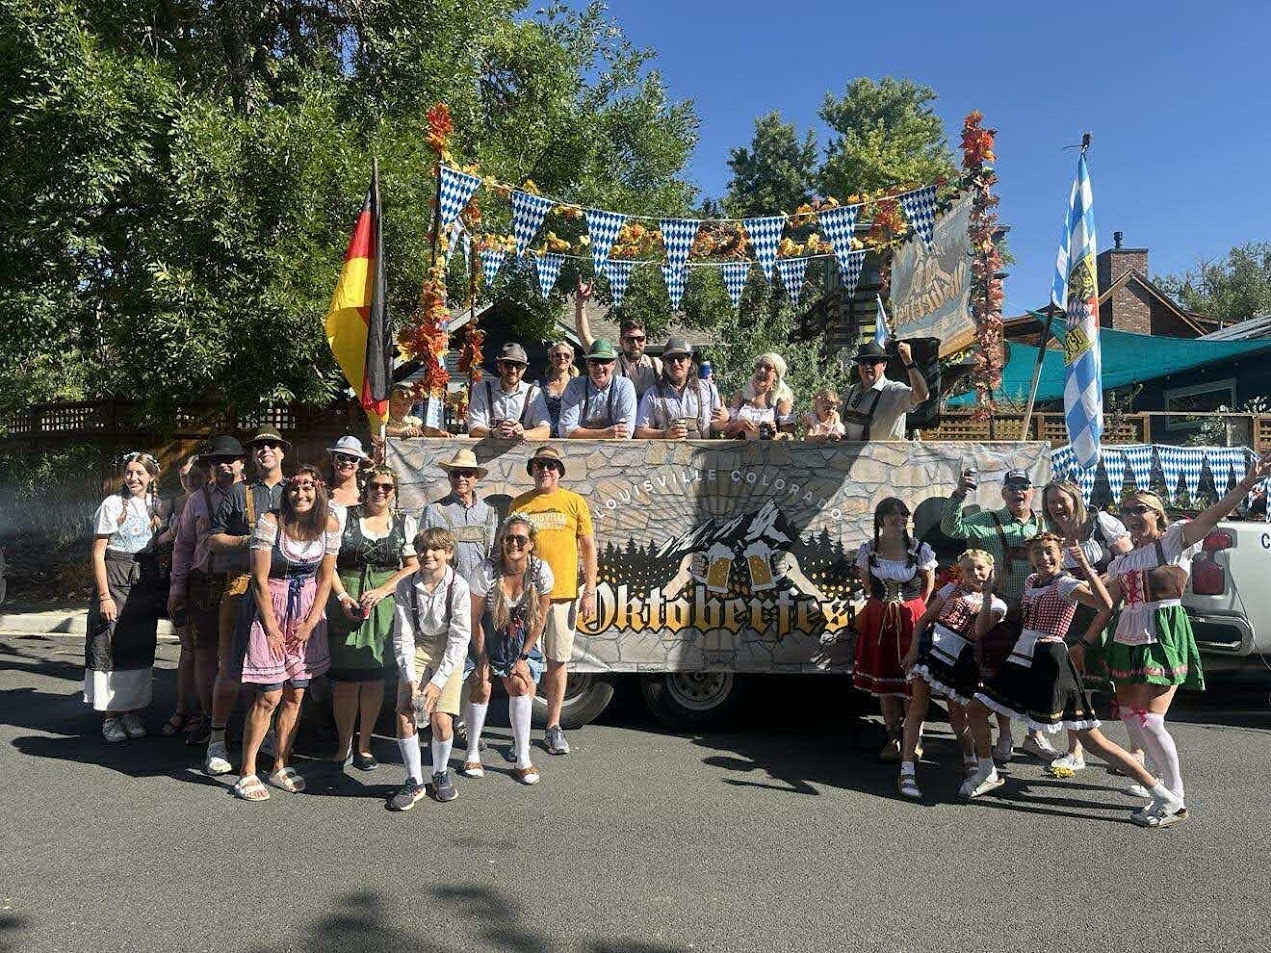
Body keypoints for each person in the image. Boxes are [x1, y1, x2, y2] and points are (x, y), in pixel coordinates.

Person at [1075, 454, 1271, 827]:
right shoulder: (1121, 562)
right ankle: (1160, 793)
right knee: (1132, 721)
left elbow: (1213, 515)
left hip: (1163, 631)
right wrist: (1066, 585)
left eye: (1140, 509)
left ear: (1158, 514)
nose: (1132, 516)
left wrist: (1246, 485)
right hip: (1127, 636)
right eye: (1127, 510)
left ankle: (1175, 797)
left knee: (1150, 721)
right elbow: (1104, 600)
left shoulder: (1176, 540)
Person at [960, 535, 1181, 822]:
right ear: (1030, 558)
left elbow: (1105, 604)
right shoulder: (1031, 582)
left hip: (1050, 660)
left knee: (1092, 741)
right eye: (1037, 552)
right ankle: (987, 771)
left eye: (1050, 552)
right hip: (1021, 657)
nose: (1044, 558)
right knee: (976, 708)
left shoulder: (1066, 584)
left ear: (1061, 556)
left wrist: (1087, 568)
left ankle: (1165, 796)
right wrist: (989, 594)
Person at [232, 465, 339, 801]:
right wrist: (271, 628)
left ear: (318, 492)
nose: (301, 494)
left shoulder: (329, 525)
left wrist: (310, 622)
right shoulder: (270, 522)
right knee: (269, 695)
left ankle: (280, 763)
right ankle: (247, 770)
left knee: (296, 693)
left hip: (307, 609)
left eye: (308, 488)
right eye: (295, 488)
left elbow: (325, 579)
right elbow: (259, 580)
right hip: (272, 608)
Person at [940, 466, 1056, 762]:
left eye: (1024, 486)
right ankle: (1004, 737)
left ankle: (1034, 735)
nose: (1018, 492)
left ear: (1032, 492)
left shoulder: (1044, 526)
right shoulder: (986, 521)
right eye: (1012, 487)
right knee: (999, 675)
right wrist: (959, 494)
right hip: (998, 612)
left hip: (1036, 612)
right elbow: (951, 530)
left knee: (1037, 674)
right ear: (1004, 493)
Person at [203, 427, 290, 776]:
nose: (265, 450)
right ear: (252, 456)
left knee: (284, 670)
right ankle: (217, 739)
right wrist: (248, 542)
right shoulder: (240, 493)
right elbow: (213, 539)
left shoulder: (296, 491)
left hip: (286, 590)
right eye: (259, 446)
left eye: (271, 445)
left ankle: (272, 742)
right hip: (241, 588)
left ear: (282, 452)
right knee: (230, 667)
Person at [327, 465, 420, 770]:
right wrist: (341, 596)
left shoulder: (405, 523)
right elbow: (327, 563)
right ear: (365, 488)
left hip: (383, 605)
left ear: (394, 492)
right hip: (346, 597)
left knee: (374, 677)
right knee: (346, 679)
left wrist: (383, 590)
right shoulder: (343, 516)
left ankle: (365, 745)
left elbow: (412, 566)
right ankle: (344, 745)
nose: (380, 491)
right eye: (375, 485)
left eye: (387, 487)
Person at [1040, 480, 1133, 773]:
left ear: (1076, 498)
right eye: (1051, 503)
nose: (1056, 507)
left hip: (1112, 612)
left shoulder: (1101, 523)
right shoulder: (1052, 536)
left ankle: (1138, 751)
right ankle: (1075, 751)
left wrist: (1101, 582)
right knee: (1074, 683)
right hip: (1073, 614)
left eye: (1061, 500)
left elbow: (1131, 561)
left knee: (1124, 683)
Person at [509, 446, 597, 756]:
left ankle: (553, 726)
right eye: (539, 465)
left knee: (557, 662)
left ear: (559, 471)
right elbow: (510, 548)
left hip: (563, 597)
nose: (544, 470)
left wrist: (589, 590)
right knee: (523, 663)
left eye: (550, 465)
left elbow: (588, 548)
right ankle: (522, 733)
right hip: (527, 598)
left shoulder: (574, 502)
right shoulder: (519, 505)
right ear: (532, 470)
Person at [899, 550, 1006, 798]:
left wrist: (987, 594)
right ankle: (906, 769)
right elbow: (925, 619)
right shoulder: (949, 590)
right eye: (969, 569)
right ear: (961, 572)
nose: (975, 574)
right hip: (932, 654)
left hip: (960, 663)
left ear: (991, 570)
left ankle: (970, 760)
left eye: (980, 568)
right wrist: (914, 650)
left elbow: (979, 631)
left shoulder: (998, 605)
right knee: (917, 709)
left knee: (958, 715)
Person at [169, 436, 246, 747]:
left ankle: (245, 720)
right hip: (204, 581)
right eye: (217, 461)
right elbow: (183, 545)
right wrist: (177, 587)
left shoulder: (253, 496)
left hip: (244, 581)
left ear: (242, 461)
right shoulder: (198, 499)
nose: (224, 464)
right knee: (205, 653)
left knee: (245, 654)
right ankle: (207, 717)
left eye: (230, 458)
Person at [388, 527, 473, 809]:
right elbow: (403, 636)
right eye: (423, 549)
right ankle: (414, 781)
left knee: (441, 720)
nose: (428, 555)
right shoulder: (406, 586)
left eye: (436, 549)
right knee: (405, 713)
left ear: (448, 553)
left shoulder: (458, 587)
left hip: (449, 648)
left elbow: (460, 639)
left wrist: (437, 682)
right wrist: (411, 680)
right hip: (419, 645)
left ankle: (439, 773)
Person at [86, 452, 167, 742]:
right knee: (109, 642)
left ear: (151, 477)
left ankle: (132, 710)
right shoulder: (111, 504)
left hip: (144, 580)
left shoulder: (156, 506)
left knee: (139, 643)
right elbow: (97, 553)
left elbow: (157, 542)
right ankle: (110, 716)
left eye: (140, 473)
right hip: (115, 575)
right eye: (129, 473)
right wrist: (105, 596)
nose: (133, 478)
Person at [467, 515, 554, 784]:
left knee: (520, 684)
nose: (514, 543)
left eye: (520, 539)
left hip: (521, 636)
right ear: (501, 541)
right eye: (509, 538)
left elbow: (540, 617)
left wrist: (525, 655)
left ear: (531, 544)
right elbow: (474, 619)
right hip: (487, 632)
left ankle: (522, 758)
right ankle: (472, 752)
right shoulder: (486, 571)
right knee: (482, 686)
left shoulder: (540, 571)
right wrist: (482, 659)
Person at [852, 498, 936, 761]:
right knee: (886, 681)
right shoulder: (869, 550)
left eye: (903, 514)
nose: (899, 518)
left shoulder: (920, 549)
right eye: (892, 514)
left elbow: (928, 586)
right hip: (880, 619)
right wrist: (884, 605)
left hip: (911, 618)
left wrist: (913, 611)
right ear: (880, 519)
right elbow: (867, 584)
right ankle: (892, 738)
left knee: (913, 681)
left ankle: (915, 737)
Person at [161, 455, 212, 738]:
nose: (191, 481)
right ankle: (183, 709)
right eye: (185, 476)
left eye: (196, 476)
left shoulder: (212, 500)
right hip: (178, 580)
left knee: (205, 651)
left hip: (205, 580)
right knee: (188, 650)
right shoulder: (170, 505)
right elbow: (158, 541)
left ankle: (203, 713)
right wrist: (170, 531)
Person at [421, 448, 499, 585]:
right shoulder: (433, 511)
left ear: (476, 478)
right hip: (446, 588)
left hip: (482, 589)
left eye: (467, 474)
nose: (461, 479)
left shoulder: (490, 512)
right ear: (449, 477)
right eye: (455, 474)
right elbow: (423, 554)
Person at [574, 280, 662, 397]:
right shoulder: (612, 365)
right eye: (630, 339)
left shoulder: (657, 365)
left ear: (645, 340)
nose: (635, 343)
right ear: (621, 341)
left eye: (640, 339)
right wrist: (581, 304)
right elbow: (585, 337)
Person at [633, 337, 728, 439]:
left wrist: (725, 420)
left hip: (703, 452)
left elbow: (718, 426)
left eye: (680, 358)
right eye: (670, 360)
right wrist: (664, 434)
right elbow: (639, 431)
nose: (676, 364)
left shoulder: (708, 389)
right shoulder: (652, 394)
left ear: (689, 362)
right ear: (664, 364)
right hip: (664, 453)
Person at [839, 340, 928, 441]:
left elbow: (922, 396)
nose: (867, 366)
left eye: (873, 361)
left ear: (884, 365)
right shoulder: (848, 392)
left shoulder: (894, 391)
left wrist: (909, 362)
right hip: (847, 455)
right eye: (862, 362)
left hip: (884, 456)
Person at [466, 342, 551, 440]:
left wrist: (524, 433)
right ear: (499, 366)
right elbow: (473, 428)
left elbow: (545, 430)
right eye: (508, 365)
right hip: (487, 452)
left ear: (525, 369)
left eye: (518, 365)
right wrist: (494, 432)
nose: (513, 370)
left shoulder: (534, 393)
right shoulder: (482, 390)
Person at [559, 340, 638, 439]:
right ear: (588, 365)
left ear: (613, 364)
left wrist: (582, 433)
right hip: (578, 450)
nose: (599, 367)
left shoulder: (624, 386)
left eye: (604, 361)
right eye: (594, 362)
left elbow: (625, 433)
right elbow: (565, 431)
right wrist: (605, 433)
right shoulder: (574, 386)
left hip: (615, 450)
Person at [723, 353, 795, 440]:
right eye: (759, 366)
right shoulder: (740, 396)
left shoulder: (781, 400)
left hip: (770, 452)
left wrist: (775, 435)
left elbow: (790, 437)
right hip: (740, 451)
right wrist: (739, 425)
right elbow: (726, 433)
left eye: (768, 368)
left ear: (776, 375)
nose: (762, 370)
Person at [537, 341, 578, 438]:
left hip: (571, 438)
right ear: (551, 358)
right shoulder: (539, 385)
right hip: (545, 437)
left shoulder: (579, 385)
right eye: (557, 355)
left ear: (571, 359)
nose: (562, 358)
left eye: (567, 356)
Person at [326, 435, 369, 518]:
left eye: (353, 459)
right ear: (332, 460)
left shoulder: (369, 491)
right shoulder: (322, 492)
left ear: (359, 464)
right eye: (341, 457)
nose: (346, 463)